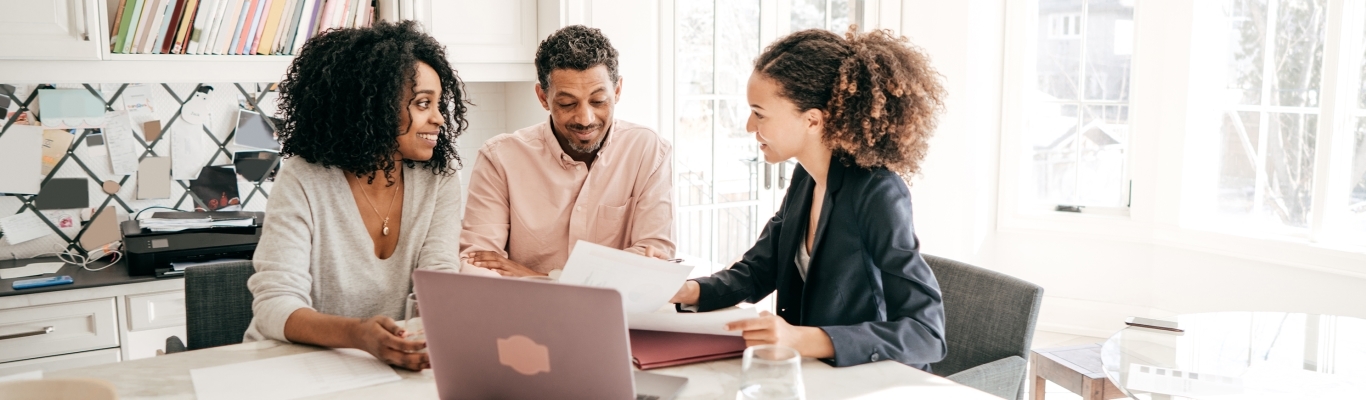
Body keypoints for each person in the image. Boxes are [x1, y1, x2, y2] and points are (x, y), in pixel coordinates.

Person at [669, 28, 949, 369]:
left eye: (759, 113)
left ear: (813, 120)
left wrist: (802, 340)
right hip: (813, 375)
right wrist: (684, 290)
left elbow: (926, 334)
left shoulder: (877, 192)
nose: (748, 126)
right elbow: (759, 270)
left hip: (867, 378)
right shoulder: (806, 177)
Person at [244, 20, 469, 371]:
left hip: (388, 364)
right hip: (295, 366)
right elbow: (275, 305)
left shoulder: (439, 179)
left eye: (439, 104)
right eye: (423, 103)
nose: (439, 118)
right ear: (374, 106)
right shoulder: (304, 179)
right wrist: (358, 335)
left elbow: (438, 282)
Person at [460, 25, 674, 277]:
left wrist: (540, 278)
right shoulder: (499, 159)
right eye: (567, 103)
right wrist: (611, 271)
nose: (585, 118)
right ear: (543, 97)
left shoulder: (649, 151)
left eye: (598, 101)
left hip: (616, 315)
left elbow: (654, 258)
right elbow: (478, 264)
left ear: (617, 91)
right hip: (525, 314)